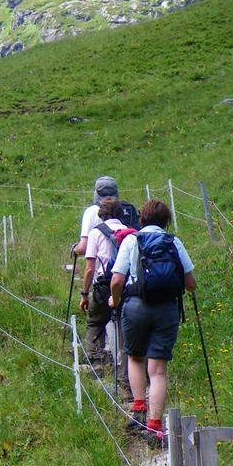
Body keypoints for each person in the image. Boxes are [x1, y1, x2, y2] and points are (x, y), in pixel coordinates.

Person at [109, 198, 196, 447]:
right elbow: (190, 284)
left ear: (141, 219)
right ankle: (155, 426)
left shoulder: (131, 240)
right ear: (166, 221)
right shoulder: (173, 242)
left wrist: (115, 301)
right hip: (166, 308)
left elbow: (116, 281)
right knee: (158, 370)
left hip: (135, 306)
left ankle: (138, 409)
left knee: (135, 357)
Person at [78, 197, 128, 367]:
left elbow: (90, 268)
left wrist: (84, 294)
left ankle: (97, 362)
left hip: (103, 286)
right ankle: (125, 368)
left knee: (95, 322)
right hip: (124, 285)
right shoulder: (129, 231)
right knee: (123, 325)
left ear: (101, 214)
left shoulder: (96, 233)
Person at [72, 176, 120, 257]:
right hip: (125, 266)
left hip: (101, 265)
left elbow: (83, 248)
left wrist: (75, 250)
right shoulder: (123, 209)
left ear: (96, 193)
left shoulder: (91, 211)